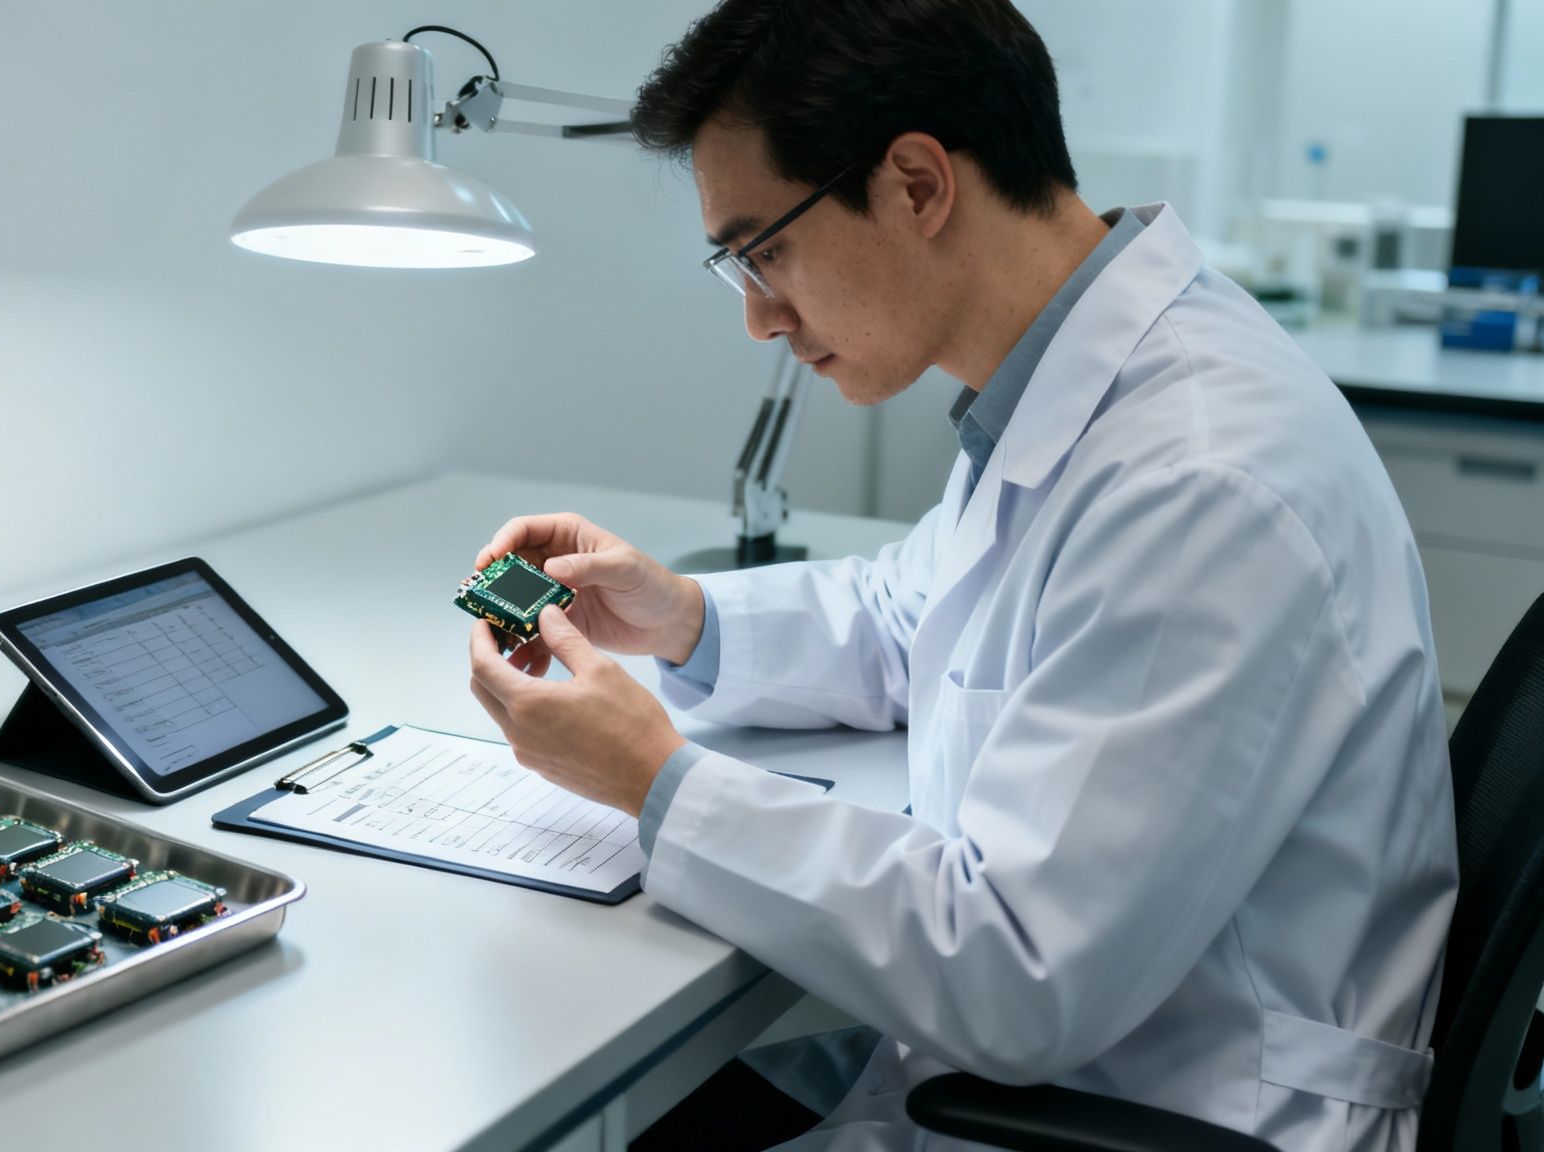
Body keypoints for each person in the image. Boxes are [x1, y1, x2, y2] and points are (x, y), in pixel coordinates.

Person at [462, 1, 1459, 1149]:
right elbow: (913, 612)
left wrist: (654, 779)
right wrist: (679, 617)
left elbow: (1015, 976)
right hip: (1062, 1068)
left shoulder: (1196, 480)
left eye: (763, 248)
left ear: (918, 185)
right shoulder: (1077, 379)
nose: (756, 315)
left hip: (1163, 1104)